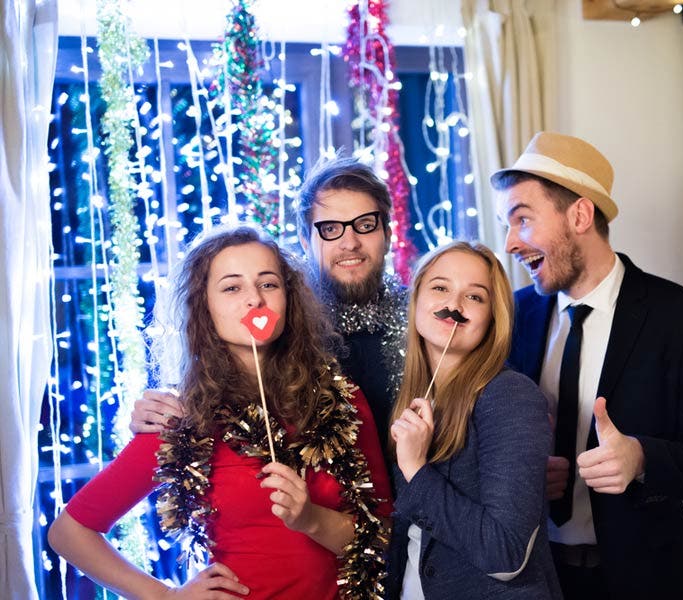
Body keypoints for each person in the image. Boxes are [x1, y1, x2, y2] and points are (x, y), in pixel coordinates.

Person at [48, 226, 392, 599]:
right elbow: (69, 532)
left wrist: (311, 519)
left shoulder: (343, 402)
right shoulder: (183, 419)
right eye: (232, 287)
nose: (254, 301)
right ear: (204, 307)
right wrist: (166, 596)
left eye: (269, 284)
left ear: (289, 299)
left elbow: (385, 537)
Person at [492, 132, 683, 600]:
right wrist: (525, 470)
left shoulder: (682, 318)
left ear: (580, 215)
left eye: (522, 220)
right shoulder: (512, 315)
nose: (509, 243)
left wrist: (642, 457)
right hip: (537, 580)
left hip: (646, 578)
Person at [130, 155, 407, 450]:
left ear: (388, 234)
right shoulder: (275, 325)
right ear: (304, 239)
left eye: (365, 225)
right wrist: (154, 415)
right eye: (330, 229)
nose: (350, 242)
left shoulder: (423, 321)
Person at [385, 241, 562, 599]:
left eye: (475, 297)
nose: (453, 305)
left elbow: (507, 554)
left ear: (492, 317)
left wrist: (416, 470)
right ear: (416, 300)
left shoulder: (511, 396)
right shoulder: (414, 398)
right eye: (440, 288)